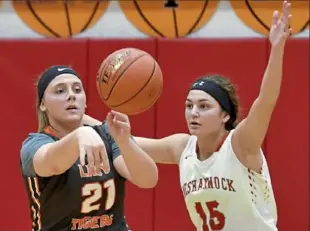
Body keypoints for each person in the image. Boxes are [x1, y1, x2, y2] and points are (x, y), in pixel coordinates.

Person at [83, 1, 292, 230]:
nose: (193, 113)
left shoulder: (241, 144)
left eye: (204, 106)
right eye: (189, 105)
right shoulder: (183, 147)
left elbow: (266, 101)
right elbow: (121, 138)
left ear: (225, 115)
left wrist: (277, 48)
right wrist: (78, 118)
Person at [20, 65, 158, 231]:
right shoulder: (34, 145)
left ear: (85, 101)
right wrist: (80, 134)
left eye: (77, 90)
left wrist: (125, 142)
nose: (71, 95)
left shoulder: (106, 133)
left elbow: (148, 180)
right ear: (43, 104)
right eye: (60, 91)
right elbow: (52, 162)